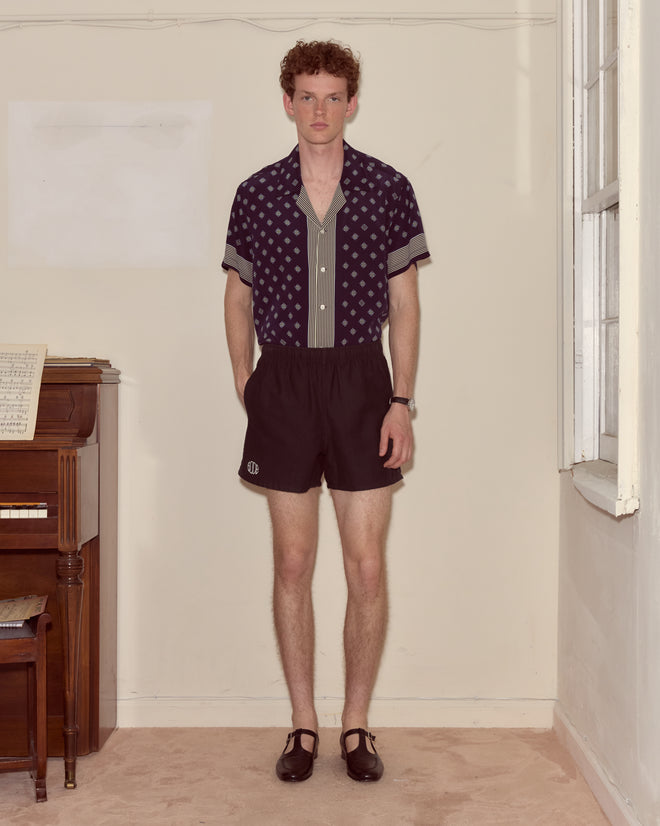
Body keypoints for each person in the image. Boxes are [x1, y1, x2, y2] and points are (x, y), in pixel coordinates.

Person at [222, 39, 429, 783]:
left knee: (367, 567)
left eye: (332, 96)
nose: (319, 109)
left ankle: (357, 727)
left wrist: (400, 401)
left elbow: (404, 304)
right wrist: (248, 382)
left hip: (360, 383)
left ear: (351, 103)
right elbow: (238, 296)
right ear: (287, 102)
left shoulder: (388, 187)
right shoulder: (255, 193)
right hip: (282, 380)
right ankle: (304, 725)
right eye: (306, 95)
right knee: (293, 562)